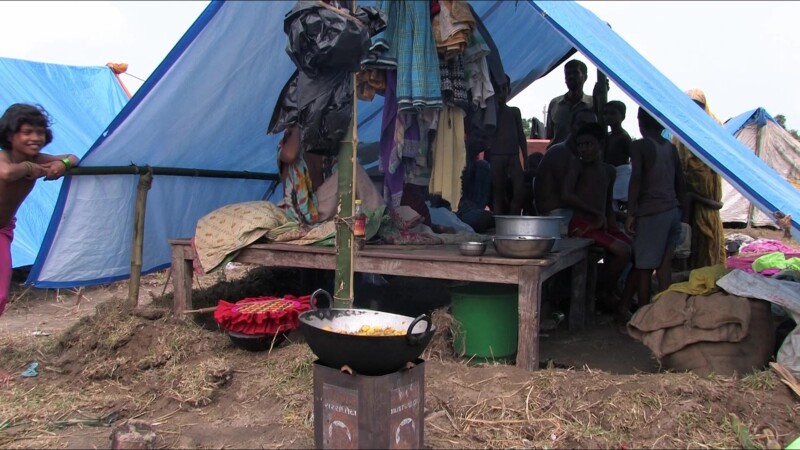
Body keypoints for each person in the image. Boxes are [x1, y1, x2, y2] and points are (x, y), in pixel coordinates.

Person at [0, 104, 79, 383]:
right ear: (10, 136)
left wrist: (62, 165)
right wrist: (32, 167)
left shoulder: (40, 157)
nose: (35, 138)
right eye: (26, 133)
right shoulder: (5, 158)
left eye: (40, 132)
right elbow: (7, 174)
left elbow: (72, 156)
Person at [618, 107, 687, 322]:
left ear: (640, 121)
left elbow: (636, 178)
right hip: (672, 211)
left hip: (652, 213)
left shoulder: (639, 146)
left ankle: (645, 318)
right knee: (664, 268)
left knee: (644, 269)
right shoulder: (670, 148)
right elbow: (680, 183)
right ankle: (666, 316)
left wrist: (630, 213)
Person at [562, 123, 631, 308]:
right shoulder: (577, 165)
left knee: (634, 250)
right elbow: (566, 195)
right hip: (581, 225)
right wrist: (595, 213)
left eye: (589, 144)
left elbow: (607, 202)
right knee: (622, 251)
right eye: (581, 144)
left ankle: (613, 290)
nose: (584, 149)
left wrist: (612, 224)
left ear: (600, 144)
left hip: (602, 224)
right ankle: (602, 292)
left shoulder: (609, 171)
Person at [672, 88, 726, 270]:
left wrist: (702, 198)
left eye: (698, 106)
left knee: (706, 247)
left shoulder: (714, 130)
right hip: (684, 201)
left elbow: (715, 172)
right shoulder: (679, 132)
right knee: (684, 246)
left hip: (706, 204)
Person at [534, 109, 599, 235]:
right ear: (571, 125)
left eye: (590, 125)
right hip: (557, 219)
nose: (586, 128)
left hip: (565, 215)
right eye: (581, 124)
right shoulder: (561, 153)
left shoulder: (578, 155)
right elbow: (568, 196)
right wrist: (597, 212)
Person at [487, 75, 528, 216]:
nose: (500, 93)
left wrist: (526, 157)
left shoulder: (514, 111)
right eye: (497, 89)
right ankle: (500, 224)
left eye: (503, 88)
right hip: (496, 156)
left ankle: (513, 217)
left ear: (509, 90)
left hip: (513, 157)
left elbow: (521, 135)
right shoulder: (490, 113)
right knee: (498, 192)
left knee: (520, 190)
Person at [545, 60, 593, 148]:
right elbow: (550, 135)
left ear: (585, 77)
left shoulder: (593, 104)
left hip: (584, 156)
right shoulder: (555, 104)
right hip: (559, 156)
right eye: (567, 73)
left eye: (575, 73)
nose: (571, 76)